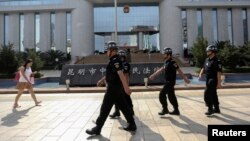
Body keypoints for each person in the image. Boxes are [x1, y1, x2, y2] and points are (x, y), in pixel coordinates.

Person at [86, 41, 136, 136]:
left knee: (105, 108)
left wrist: (126, 88)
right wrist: (102, 80)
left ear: (112, 50)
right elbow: (112, 74)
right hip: (117, 89)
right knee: (124, 107)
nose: (106, 52)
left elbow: (121, 74)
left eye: (108, 50)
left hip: (113, 89)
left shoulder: (115, 60)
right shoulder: (114, 60)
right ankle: (132, 125)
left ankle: (98, 128)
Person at [149, 47, 190, 115]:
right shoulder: (166, 62)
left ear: (168, 54)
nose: (163, 55)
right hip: (167, 81)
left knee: (162, 94)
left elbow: (179, 70)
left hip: (170, 82)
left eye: (164, 54)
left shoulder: (173, 62)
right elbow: (162, 69)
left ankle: (165, 109)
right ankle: (176, 110)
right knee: (171, 96)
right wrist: (153, 75)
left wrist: (185, 79)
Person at [109, 50, 134, 118]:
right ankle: (117, 111)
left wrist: (126, 85)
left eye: (122, 57)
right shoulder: (117, 63)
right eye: (120, 57)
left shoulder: (125, 64)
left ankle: (131, 110)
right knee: (116, 98)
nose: (121, 58)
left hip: (123, 84)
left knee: (127, 97)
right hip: (118, 84)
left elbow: (126, 75)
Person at [199, 45, 222, 115]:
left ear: (213, 52)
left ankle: (210, 108)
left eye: (208, 51)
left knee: (207, 94)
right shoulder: (207, 59)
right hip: (208, 79)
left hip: (213, 80)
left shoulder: (217, 61)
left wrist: (219, 83)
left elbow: (219, 72)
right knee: (214, 94)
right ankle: (217, 108)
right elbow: (203, 68)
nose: (207, 52)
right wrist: (200, 74)